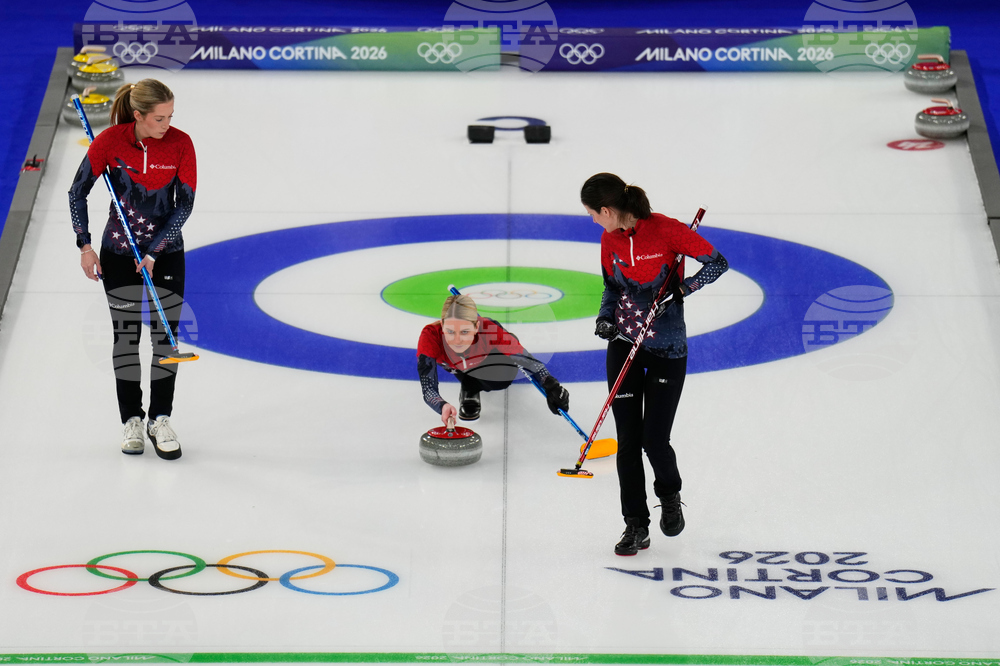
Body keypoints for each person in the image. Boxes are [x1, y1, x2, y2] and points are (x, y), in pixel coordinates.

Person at [582, 172, 728, 556]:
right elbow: (612, 287)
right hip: (625, 343)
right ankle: (635, 525)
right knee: (628, 443)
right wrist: (605, 317)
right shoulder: (608, 239)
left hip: (666, 346)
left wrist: (682, 290)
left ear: (608, 210)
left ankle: (670, 493)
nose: (593, 221)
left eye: (594, 214)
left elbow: (717, 264)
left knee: (654, 441)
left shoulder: (666, 230)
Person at [69, 78, 196, 460]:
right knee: (125, 337)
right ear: (138, 115)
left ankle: (160, 418)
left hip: (166, 253)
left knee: (165, 339)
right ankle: (132, 420)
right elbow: (78, 192)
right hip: (119, 253)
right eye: (159, 118)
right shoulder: (109, 142)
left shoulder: (180, 143)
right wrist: (85, 245)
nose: (167, 124)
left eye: (171, 116)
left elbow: (185, 204)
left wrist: (155, 252)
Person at [417, 294, 569, 425]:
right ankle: (469, 385)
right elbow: (428, 387)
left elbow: (529, 362)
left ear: (476, 327)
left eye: (464, 332)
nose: (457, 340)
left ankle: (471, 384)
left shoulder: (489, 331)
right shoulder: (430, 336)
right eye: (450, 331)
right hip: (459, 367)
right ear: (442, 325)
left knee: (505, 376)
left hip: (488, 359)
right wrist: (442, 406)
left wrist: (552, 385)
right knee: (463, 366)